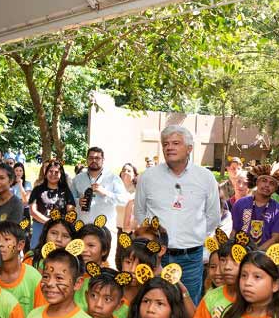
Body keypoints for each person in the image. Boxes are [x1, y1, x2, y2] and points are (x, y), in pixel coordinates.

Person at [135, 124, 221, 305]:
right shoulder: (148, 177)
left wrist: (193, 238)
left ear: (189, 148)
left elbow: (213, 217)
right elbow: (140, 214)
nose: (169, 147)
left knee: (187, 307)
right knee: (153, 304)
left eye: (175, 143)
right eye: (165, 144)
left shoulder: (205, 177)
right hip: (153, 256)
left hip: (190, 258)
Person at [193, 238, 254, 318]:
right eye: (223, 260)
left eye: (234, 260)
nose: (227, 267)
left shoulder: (254, 299)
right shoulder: (211, 298)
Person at [71, 147, 129, 244]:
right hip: (83, 229)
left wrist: (106, 193)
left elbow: (124, 200)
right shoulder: (77, 179)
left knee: (105, 260)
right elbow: (69, 200)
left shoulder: (113, 178)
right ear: (87, 160)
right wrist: (78, 202)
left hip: (105, 230)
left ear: (103, 160)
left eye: (97, 158)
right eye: (91, 158)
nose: (94, 160)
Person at [0, 220, 44, 316]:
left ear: (20, 245)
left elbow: (41, 314)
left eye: (6, 239)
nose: (0, 244)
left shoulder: (33, 277)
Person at [230, 164, 279, 250]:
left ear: (276, 188)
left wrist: (256, 254)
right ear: (257, 182)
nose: (267, 185)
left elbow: (275, 239)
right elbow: (233, 231)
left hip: (264, 257)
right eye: (264, 181)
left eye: (272, 183)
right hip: (240, 253)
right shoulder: (240, 204)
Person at [28, 160, 75, 249]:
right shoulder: (37, 189)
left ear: (61, 175)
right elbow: (32, 211)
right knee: (36, 253)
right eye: (50, 171)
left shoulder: (66, 191)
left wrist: (58, 225)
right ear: (46, 173)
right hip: (39, 226)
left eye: (56, 172)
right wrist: (49, 222)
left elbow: (71, 209)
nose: (53, 174)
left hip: (59, 229)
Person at [117, 163, 137, 235]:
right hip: (113, 228)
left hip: (129, 230)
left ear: (134, 175)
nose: (125, 172)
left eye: (129, 171)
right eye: (124, 170)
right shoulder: (114, 189)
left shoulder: (138, 190)